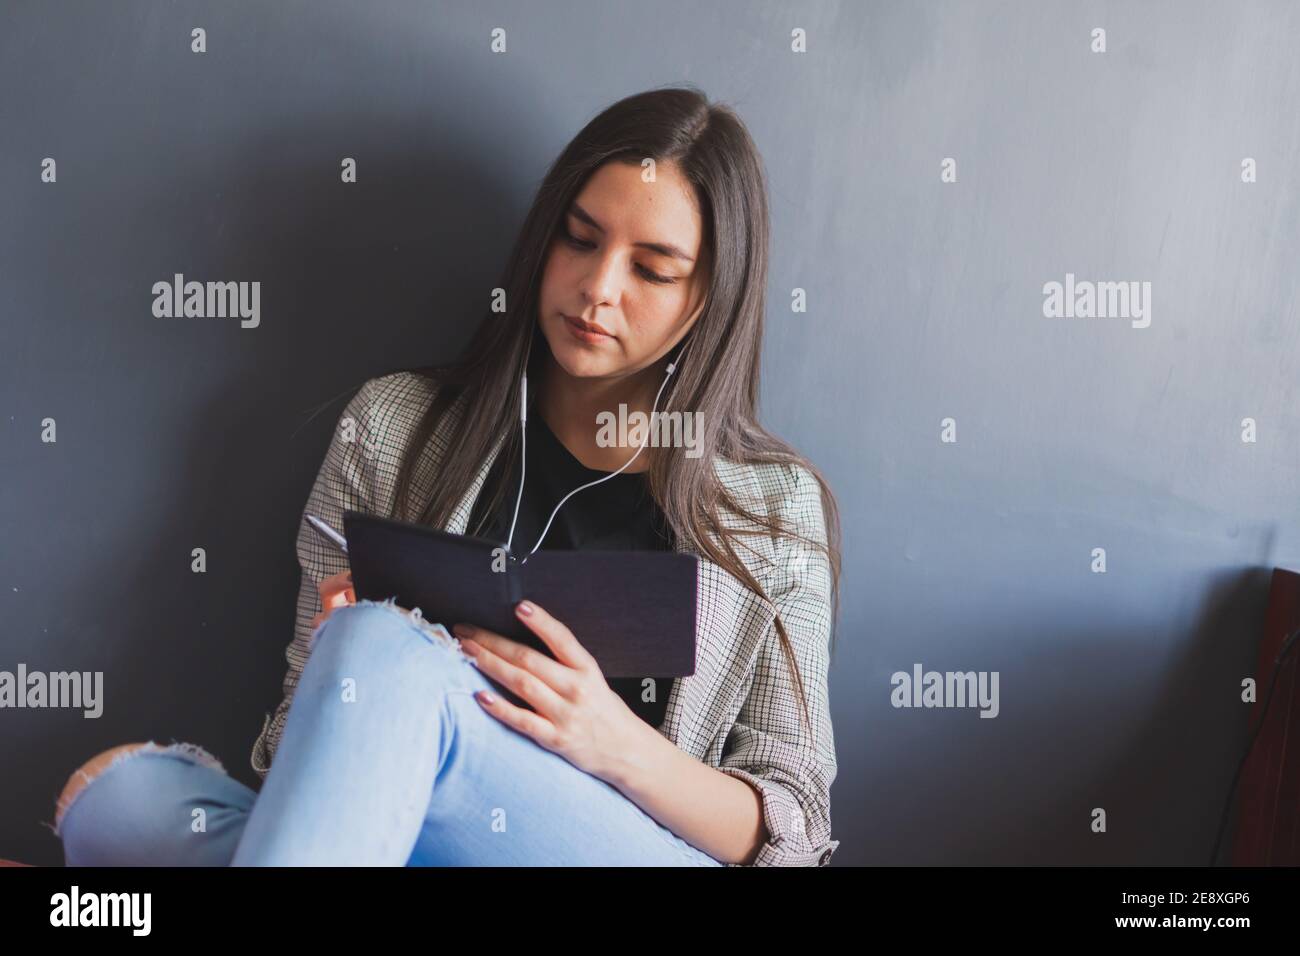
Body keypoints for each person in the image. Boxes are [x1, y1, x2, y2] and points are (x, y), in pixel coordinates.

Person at [51, 85, 843, 866]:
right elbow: (307, 753)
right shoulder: (391, 428)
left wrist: (616, 744)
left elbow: (795, 829)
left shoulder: (772, 510)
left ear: (711, 297)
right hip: (413, 834)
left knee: (377, 653)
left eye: (653, 269)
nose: (599, 288)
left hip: (618, 844)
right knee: (115, 798)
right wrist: (346, 674)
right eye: (580, 238)